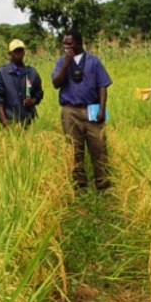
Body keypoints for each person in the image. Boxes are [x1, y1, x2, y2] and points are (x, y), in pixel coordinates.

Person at [51, 29, 112, 191]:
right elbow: (56, 83)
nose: (66, 46)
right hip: (70, 111)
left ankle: (103, 182)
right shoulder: (60, 62)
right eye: (64, 43)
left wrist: (102, 109)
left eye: (69, 43)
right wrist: (66, 63)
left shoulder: (94, 62)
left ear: (79, 43)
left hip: (91, 109)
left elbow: (103, 86)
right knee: (73, 149)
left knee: (98, 147)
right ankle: (80, 184)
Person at [0, 39, 44, 128]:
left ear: (24, 52)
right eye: (16, 51)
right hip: (10, 121)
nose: (19, 53)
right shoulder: (1, 73)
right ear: (10, 53)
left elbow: (39, 93)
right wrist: (4, 121)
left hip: (29, 121)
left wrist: (32, 101)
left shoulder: (31, 72)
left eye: (21, 50)